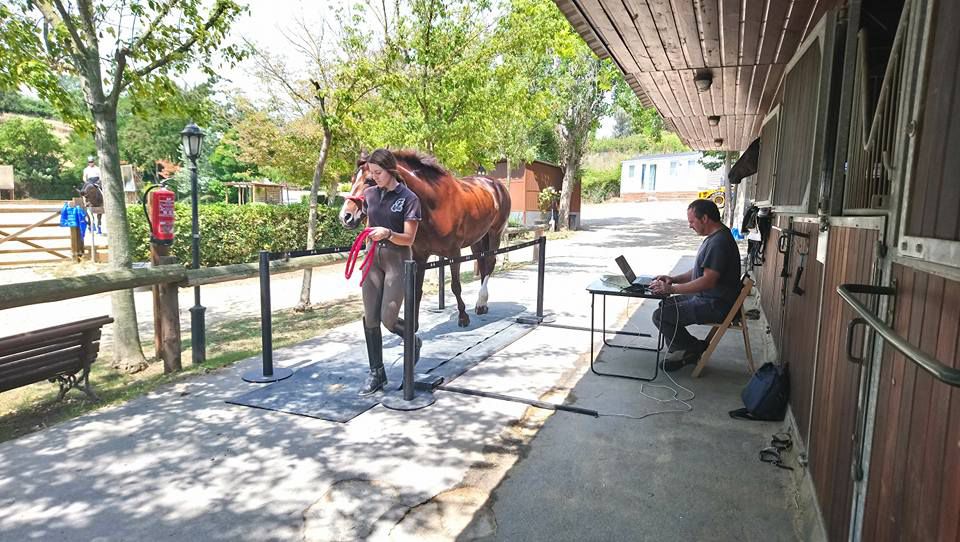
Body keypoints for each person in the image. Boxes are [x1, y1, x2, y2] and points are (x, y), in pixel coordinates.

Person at [648, 199, 742, 371]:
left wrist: (672, 289)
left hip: (716, 304)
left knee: (660, 316)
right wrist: (673, 279)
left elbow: (707, 281)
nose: (690, 226)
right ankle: (683, 349)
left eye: (692, 221)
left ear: (704, 218)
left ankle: (691, 348)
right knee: (665, 305)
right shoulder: (715, 237)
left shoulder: (719, 242)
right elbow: (700, 271)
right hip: (712, 298)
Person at [358, 149, 423, 395]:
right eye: (371, 173)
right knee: (370, 317)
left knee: (388, 319)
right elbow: (368, 224)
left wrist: (388, 233)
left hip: (397, 260)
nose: (374, 177)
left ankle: (412, 340)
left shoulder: (409, 198)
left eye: (378, 173)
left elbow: (409, 238)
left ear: (390, 170)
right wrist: (367, 244)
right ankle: (377, 373)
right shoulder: (370, 194)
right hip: (373, 260)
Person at [80, 156, 104, 234]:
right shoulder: (86, 169)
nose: (91, 163)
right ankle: (84, 202)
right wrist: (87, 182)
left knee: (102, 190)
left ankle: (104, 202)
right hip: (89, 182)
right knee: (83, 192)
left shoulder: (97, 169)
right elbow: (84, 177)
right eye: (90, 162)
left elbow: (100, 176)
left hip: (96, 181)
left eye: (92, 162)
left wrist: (98, 182)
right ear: (88, 163)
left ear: (94, 162)